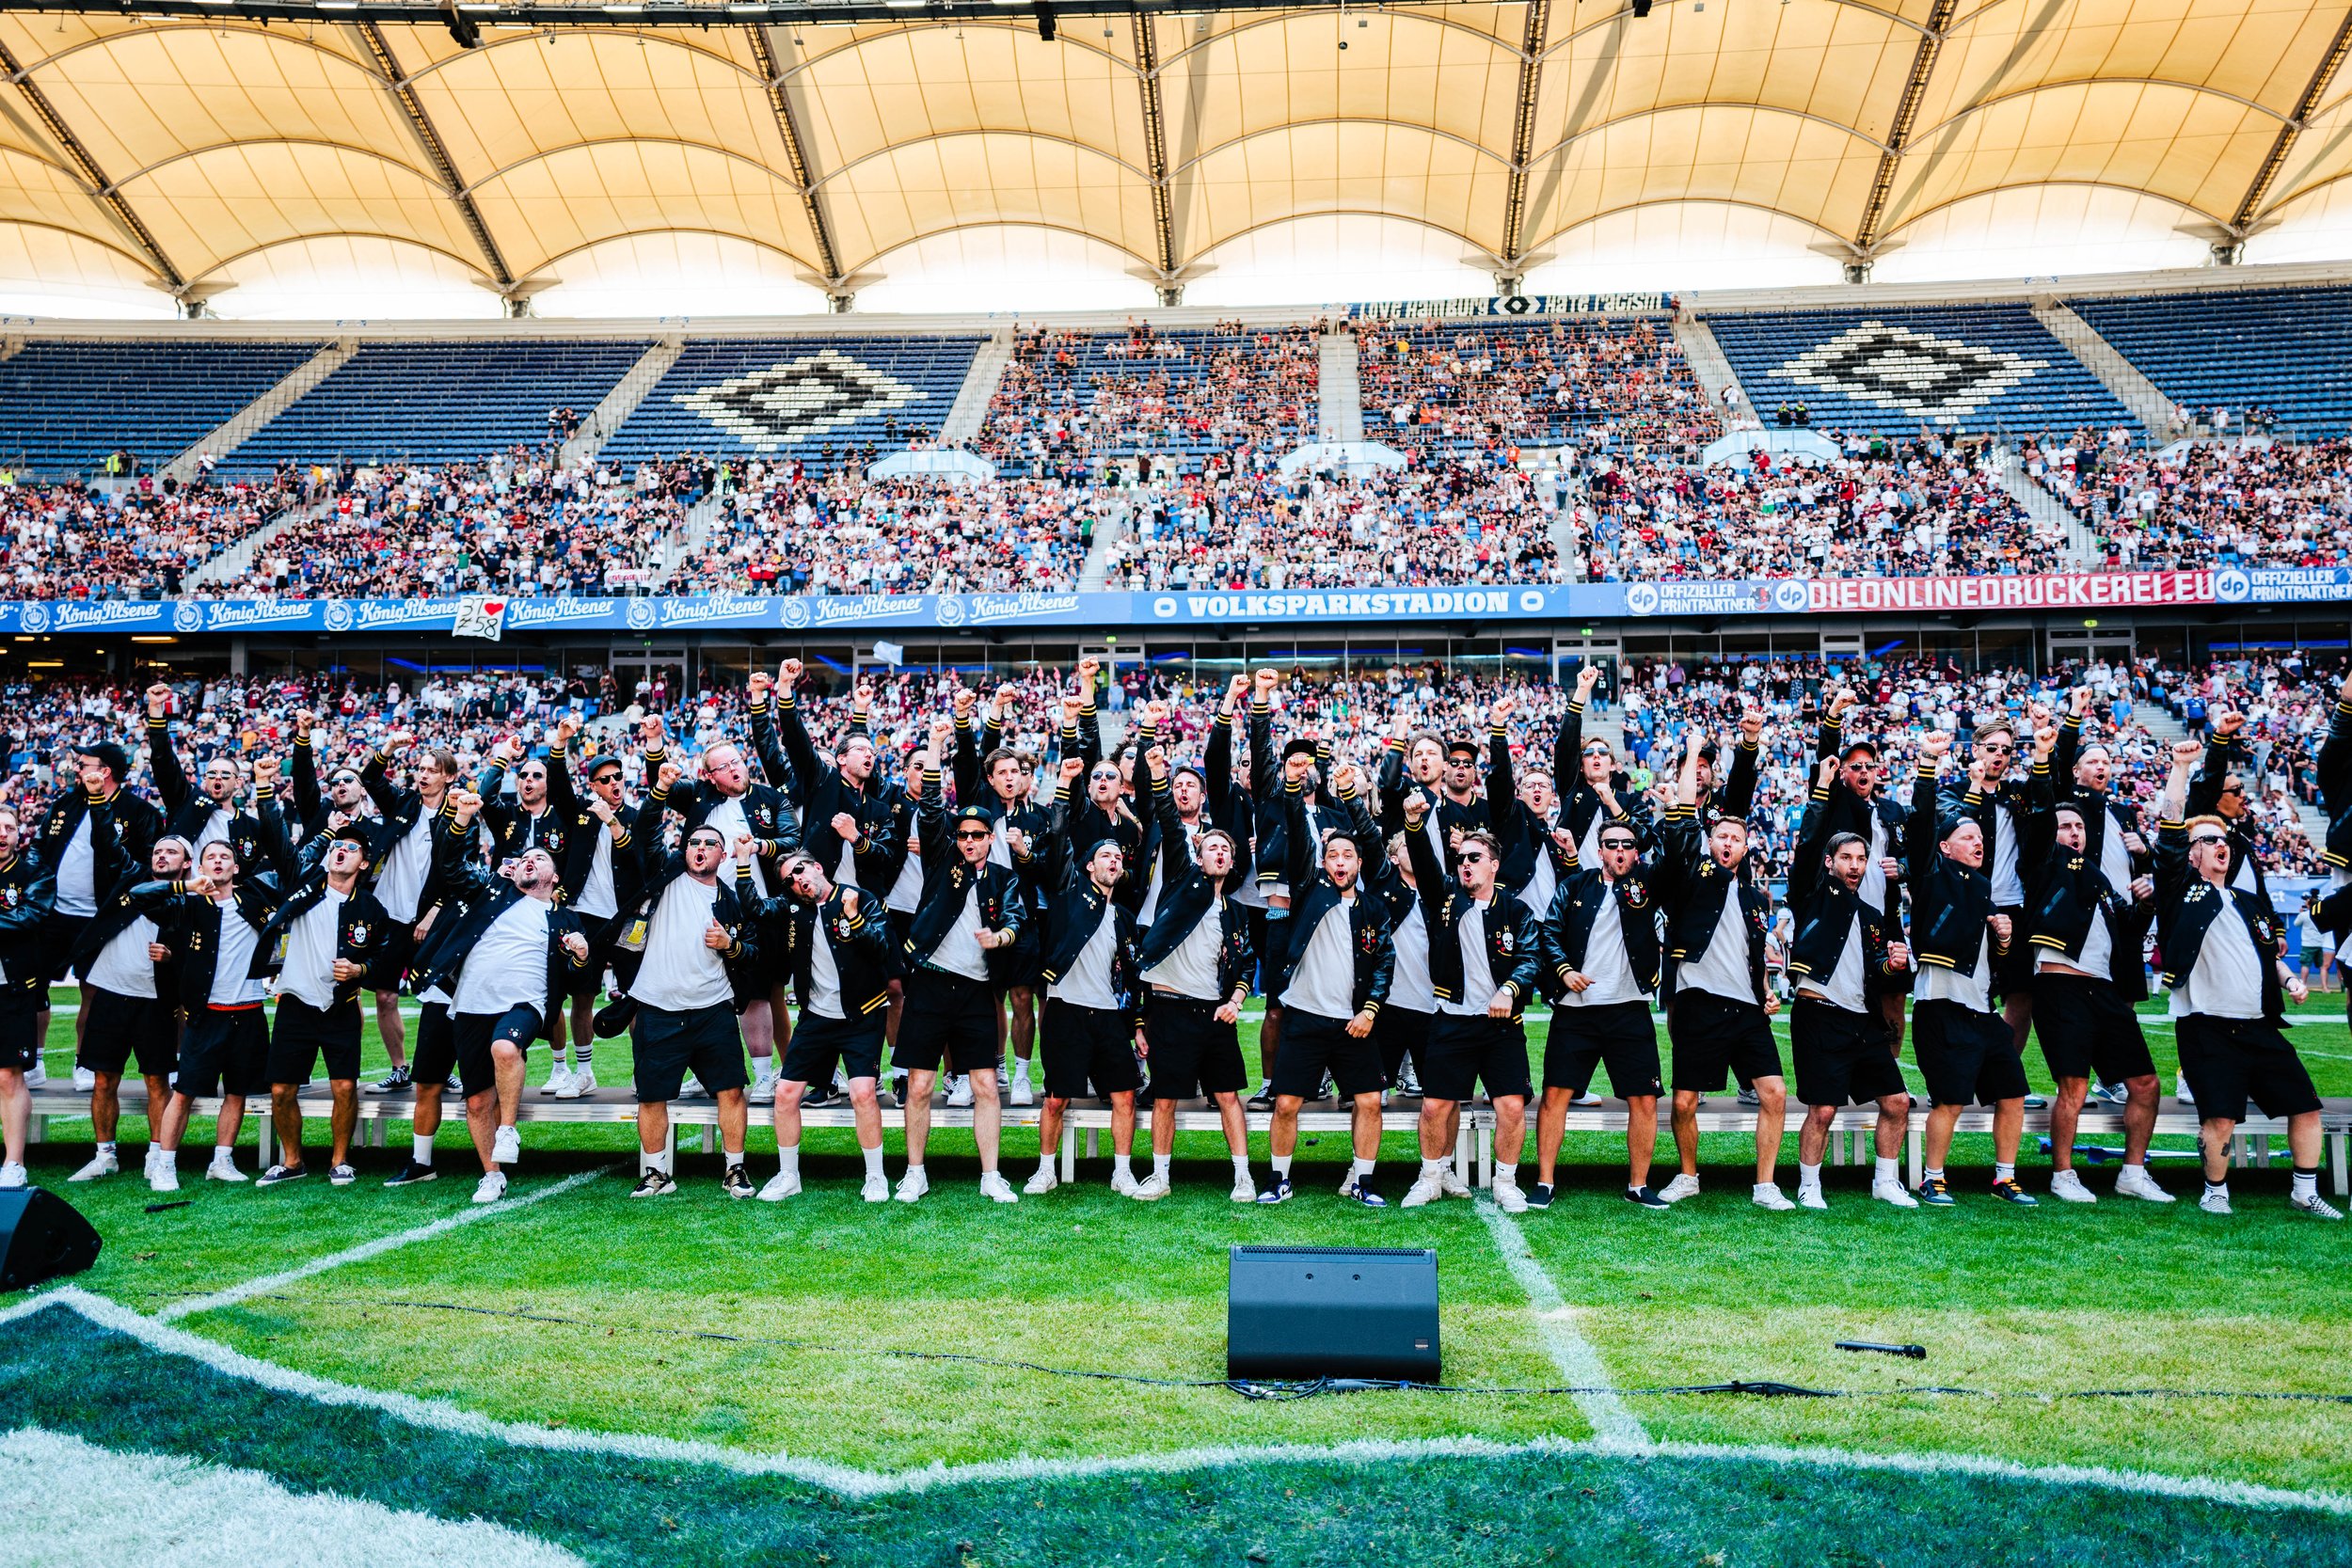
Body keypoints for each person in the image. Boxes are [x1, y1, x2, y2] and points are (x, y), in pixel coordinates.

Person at [2154, 743, 2337, 1219]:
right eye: (2210, 840)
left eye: (2225, 842)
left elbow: (2264, 957)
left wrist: (2289, 977)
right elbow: (2171, 822)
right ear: (2191, 853)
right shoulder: (2180, 891)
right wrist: (2180, 767)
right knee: (2220, 1117)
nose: (2222, 845)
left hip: (2258, 1024)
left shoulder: (2248, 901)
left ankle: (2304, 1190)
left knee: (2307, 1106)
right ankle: (2216, 1191)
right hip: (2207, 1026)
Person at [409, 839, 591, 1205]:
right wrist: (460, 821)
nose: (529, 861)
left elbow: (574, 973)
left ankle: (507, 1129)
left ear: (553, 877)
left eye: (539, 859)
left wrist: (582, 956)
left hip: (526, 1003)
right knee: (476, 1103)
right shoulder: (490, 895)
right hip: (470, 1005)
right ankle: (492, 1175)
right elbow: (450, 866)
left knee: (505, 1048)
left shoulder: (562, 917)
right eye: (524, 858)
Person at [1656, 731, 1793, 1208]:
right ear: (1709, 841)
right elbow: (1686, 816)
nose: (1728, 843)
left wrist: (1765, 992)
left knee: (1774, 1092)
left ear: (1747, 845)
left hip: (1747, 1010)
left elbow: (1755, 953)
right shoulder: (1694, 874)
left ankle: (1765, 1184)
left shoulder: (1756, 897)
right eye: (1721, 836)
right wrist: (1692, 753)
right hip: (1699, 1003)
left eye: (1737, 837)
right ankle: (1689, 1176)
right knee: (1684, 1101)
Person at [898, 727, 1028, 1204]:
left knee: (985, 1085)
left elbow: (1016, 920)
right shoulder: (940, 859)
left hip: (976, 989)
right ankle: (915, 1172)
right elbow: (931, 804)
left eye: (978, 835)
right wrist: (934, 748)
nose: (970, 841)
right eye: (964, 835)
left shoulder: (1002, 878)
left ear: (990, 839)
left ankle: (991, 1175)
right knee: (920, 1084)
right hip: (930, 984)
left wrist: (999, 937)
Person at [642, 712, 798, 1104]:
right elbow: (659, 781)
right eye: (723, 767)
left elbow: (791, 837)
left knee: (758, 994)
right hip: (702, 909)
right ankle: (703, 1069)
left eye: (737, 762)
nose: (733, 770)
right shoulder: (698, 796)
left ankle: (764, 1076)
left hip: (757, 910)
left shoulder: (769, 797)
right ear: (709, 775)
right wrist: (656, 741)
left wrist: (757, 847)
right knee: (705, 994)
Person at [1909, 731, 2036, 1207]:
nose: (1977, 842)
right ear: (1944, 847)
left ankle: (2004, 1176)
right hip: (1941, 1006)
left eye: (1981, 837)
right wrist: (1928, 764)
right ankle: (1933, 1176)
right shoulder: (1930, 875)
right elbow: (1923, 822)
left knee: (2013, 1092)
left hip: (1981, 1009)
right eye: (1966, 836)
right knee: (1950, 1099)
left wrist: (2003, 939)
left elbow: (1986, 960)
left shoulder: (1983, 887)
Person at [609, 821, 758, 1199]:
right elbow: (644, 837)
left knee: (731, 1091)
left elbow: (753, 954)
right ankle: (656, 1172)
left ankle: (734, 1169)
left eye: (711, 844)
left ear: (722, 856)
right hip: (658, 1007)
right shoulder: (665, 880)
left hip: (713, 1008)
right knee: (651, 1095)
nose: (701, 848)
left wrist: (730, 944)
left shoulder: (731, 899)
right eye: (694, 842)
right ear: (684, 848)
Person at [1133, 746, 1257, 1202]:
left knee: (1227, 1096)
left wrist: (1236, 1001)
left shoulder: (1238, 911)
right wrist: (1158, 773)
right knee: (1164, 1097)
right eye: (1211, 848)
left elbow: (1246, 966)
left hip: (1214, 1013)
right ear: (1197, 856)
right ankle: (1161, 1177)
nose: (1219, 853)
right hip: (1168, 1008)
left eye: (1225, 848)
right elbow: (1168, 817)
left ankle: (1243, 1176)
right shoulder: (1184, 881)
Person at [2026, 800, 2167, 1202]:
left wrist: (2147, 903)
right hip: (2060, 987)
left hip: (2104, 990)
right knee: (2074, 1086)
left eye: (2079, 826)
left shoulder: (2100, 878)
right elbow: (2040, 831)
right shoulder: (2043, 865)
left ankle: (2133, 1173)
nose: (2074, 832)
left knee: (2145, 1083)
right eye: (2064, 826)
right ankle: (2063, 1174)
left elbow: (2129, 927)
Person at [1262, 774, 1391, 1207]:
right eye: (1332, 854)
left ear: (1358, 863)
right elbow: (1299, 833)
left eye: (1347, 855)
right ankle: (1279, 1180)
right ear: (1324, 862)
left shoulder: (1373, 907)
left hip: (1354, 1022)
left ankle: (1363, 1183)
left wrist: (1370, 1010)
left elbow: (1384, 963)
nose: (1339, 861)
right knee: (1286, 1105)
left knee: (1370, 1102)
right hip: (1305, 1017)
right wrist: (1294, 790)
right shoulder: (1308, 889)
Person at [1401, 811, 1539, 1212]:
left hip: (1501, 1027)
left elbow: (1530, 957)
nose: (1465, 863)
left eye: (1474, 857)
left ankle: (1506, 1183)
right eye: (1461, 857)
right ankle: (1429, 1178)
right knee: (1434, 1106)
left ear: (1493, 865)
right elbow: (1425, 864)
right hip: (1451, 1021)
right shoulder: (1445, 898)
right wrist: (1414, 825)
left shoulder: (1517, 911)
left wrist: (1509, 990)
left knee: (1511, 1106)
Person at [138, 836, 290, 1191]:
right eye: (211, 857)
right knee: (185, 1091)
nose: (218, 862)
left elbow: (291, 873)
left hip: (250, 1011)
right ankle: (165, 1164)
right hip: (207, 1014)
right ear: (200, 867)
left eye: (225, 857)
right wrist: (185, 885)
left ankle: (222, 1160)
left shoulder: (255, 899)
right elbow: (138, 896)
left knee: (237, 1091)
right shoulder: (187, 905)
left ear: (236, 868)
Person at [254, 802, 390, 1189]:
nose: (341, 850)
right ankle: (292, 1161)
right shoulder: (304, 885)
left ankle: (340, 1160)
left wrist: (359, 971)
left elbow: (383, 960)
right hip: (295, 1003)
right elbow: (279, 841)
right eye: (337, 845)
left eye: (351, 847)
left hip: (340, 1006)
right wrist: (265, 792)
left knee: (344, 1087)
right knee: (281, 1089)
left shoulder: (371, 909)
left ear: (363, 864)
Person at [1533, 818, 1667, 1209]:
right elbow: (1550, 933)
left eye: (1627, 844)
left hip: (1629, 1008)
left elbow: (1673, 850)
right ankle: (1545, 1181)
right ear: (1600, 850)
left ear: (1636, 851)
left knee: (1644, 1099)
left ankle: (1638, 1186)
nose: (1620, 850)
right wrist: (1564, 970)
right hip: (1576, 1011)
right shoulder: (1575, 885)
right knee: (1555, 1094)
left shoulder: (1646, 887)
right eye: (1612, 844)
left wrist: (1617, 805)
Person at [759, 848, 893, 1201]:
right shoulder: (795, 912)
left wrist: (855, 918)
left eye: (800, 871)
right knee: (786, 1093)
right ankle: (789, 1175)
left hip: (861, 1014)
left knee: (863, 1093)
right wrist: (744, 861)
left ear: (818, 866)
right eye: (789, 880)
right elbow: (755, 907)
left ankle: (876, 1176)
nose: (798, 881)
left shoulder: (858, 898)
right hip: (816, 1017)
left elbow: (883, 951)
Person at [64, 811, 190, 1185]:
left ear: (186, 864)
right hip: (110, 992)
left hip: (154, 1000)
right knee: (104, 1080)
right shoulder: (130, 879)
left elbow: (199, 955)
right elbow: (106, 840)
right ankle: (105, 1155)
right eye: (158, 851)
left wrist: (172, 957)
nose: (161, 855)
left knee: (157, 1082)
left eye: (171, 852)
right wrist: (98, 800)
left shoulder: (189, 901)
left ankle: (156, 1153)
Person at [1029, 797, 1145, 1197]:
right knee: (1056, 1099)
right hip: (1066, 1011)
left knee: (1125, 1096)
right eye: (1105, 855)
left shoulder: (1125, 919)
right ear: (1089, 866)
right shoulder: (1068, 891)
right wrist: (1063, 789)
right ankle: (1045, 1170)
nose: (1114, 860)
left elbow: (1132, 979)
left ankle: (1122, 1172)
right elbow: (1059, 840)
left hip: (1109, 1017)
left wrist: (1139, 1026)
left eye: (1118, 856)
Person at [33, 737, 163, 1071]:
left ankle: (82, 1063)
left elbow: (148, 867)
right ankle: (34, 1058)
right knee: (32, 985)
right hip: (53, 914)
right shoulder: (66, 803)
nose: (76, 769)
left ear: (104, 772)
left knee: (93, 992)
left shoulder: (140, 812)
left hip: (101, 919)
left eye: (83, 764)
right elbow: (39, 848)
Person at [356, 730, 463, 1093]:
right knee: (384, 996)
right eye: (420, 768)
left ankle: (439, 1066)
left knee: (439, 998)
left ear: (448, 776)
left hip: (432, 920)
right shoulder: (403, 803)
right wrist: (387, 748)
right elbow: (370, 779)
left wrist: (433, 913)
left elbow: (456, 872)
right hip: (389, 915)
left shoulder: (459, 813)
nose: (423, 775)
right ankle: (399, 1067)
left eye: (432, 770)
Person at [0, 807, 56, 1190]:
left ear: (20, 834)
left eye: (8, 827)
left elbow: (29, 916)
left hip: (13, 987)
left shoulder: (35, 873)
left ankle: (13, 1162)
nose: (1, 834)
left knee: (8, 1075)